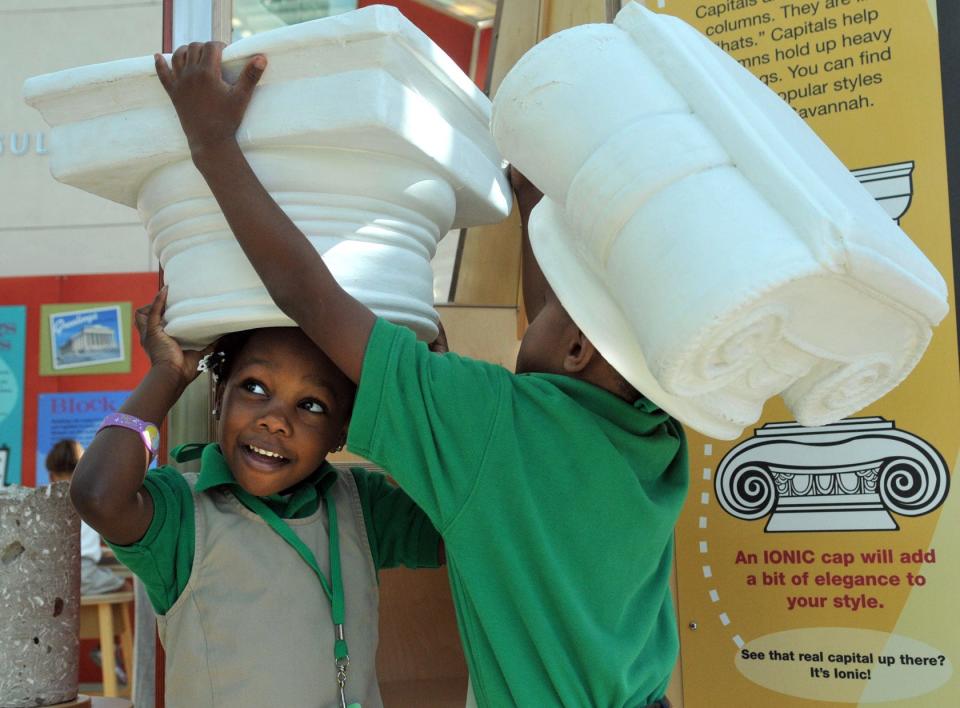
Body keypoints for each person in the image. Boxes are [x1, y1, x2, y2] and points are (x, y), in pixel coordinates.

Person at [152, 42, 688, 708]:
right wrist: (530, 205)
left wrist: (213, 145)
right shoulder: (657, 433)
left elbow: (307, 294)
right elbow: (562, 340)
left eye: (551, 307)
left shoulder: (493, 421)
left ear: (578, 347)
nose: (536, 310)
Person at [70, 289, 443, 708]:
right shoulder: (182, 513)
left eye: (312, 405)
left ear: (342, 432)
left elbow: (458, 525)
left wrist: (426, 396)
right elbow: (97, 495)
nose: (276, 420)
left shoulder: (362, 505)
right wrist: (168, 374)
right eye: (255, 387)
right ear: (218, 397)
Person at [45, 439, 126, 596]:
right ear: (84, 470)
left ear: (51, 476)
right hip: (84, 575)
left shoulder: (47, 500)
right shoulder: (91, 496)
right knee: (124, 586)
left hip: (52, 576)